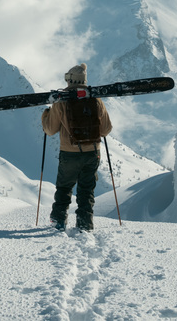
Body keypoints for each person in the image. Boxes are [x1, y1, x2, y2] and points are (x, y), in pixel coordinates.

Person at [42, 63, 112, 231]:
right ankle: (85, 223)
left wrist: (45, 115)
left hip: (69, 153)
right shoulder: (95, 98)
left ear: (70, 80)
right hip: (92, 153)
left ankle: (59, 220)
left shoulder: (61, 100)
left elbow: (50, 129)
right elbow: (106, 129)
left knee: (65, 187)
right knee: (86, 189)